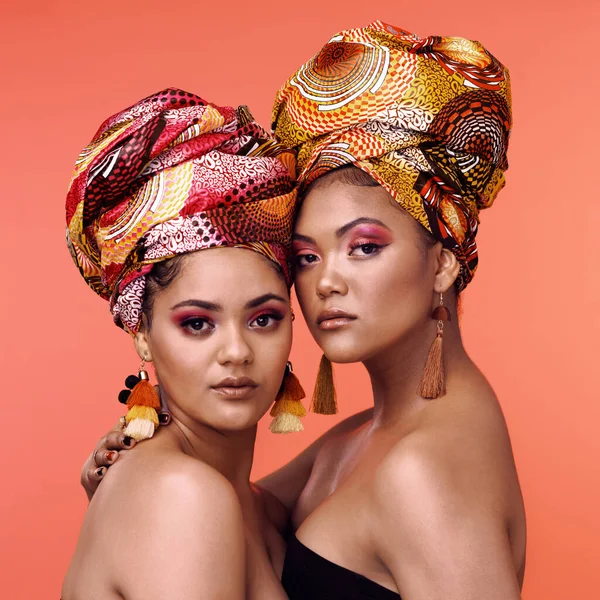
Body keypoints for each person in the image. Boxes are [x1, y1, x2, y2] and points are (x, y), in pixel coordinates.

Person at [82, 21, 526, 599]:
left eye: (364, 246)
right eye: (307, 256)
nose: (326, 283)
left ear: (443, 262)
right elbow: (240, 515)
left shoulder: (424, 471)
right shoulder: (362, 436)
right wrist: (139, 483)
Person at [62, 88, 302, 600]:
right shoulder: (181, 496)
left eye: (263, 318)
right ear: (142, 333)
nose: (236, 351)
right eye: (197, 323)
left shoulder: (260, 507)